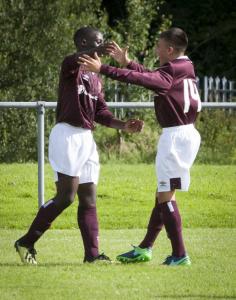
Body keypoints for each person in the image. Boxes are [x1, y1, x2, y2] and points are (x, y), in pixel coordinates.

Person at [14, 26, 144, 265]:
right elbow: (75, 59)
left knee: (89, 199)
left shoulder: (96, 76)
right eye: (98, 41)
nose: (103, 45)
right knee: (66, 197)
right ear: (84, 42)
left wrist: (123, 125)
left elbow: (101, 112)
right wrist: (97, 50)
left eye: (103, 42)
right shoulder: (70, 66)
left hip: (86, 138)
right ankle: (26, 241)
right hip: (67, 136)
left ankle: (92, 256)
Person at [79, 27, 201, 266]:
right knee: (162, 195)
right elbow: (152, 76)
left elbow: (143, 79)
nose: (156, 49)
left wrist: (103, 68)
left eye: (158, 45)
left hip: (176, 138)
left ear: (169, 49)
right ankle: (146, 247)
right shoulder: (184, 67)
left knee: (166, 197)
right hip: (186, 134)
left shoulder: (173, 70)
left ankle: (179, 254)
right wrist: (128, 62)